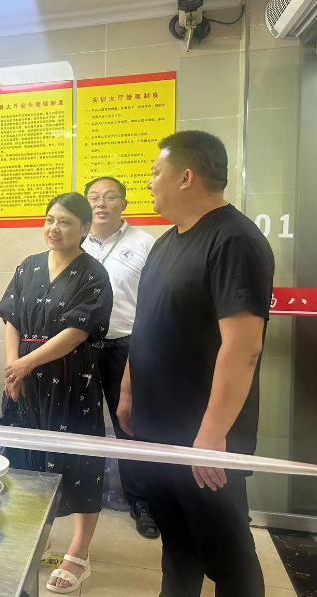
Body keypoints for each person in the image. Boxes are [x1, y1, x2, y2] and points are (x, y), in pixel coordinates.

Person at [118, 131, 273, 596]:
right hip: (160, 430)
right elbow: (148, 325)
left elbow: (243, 346)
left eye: (155, 172)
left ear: (185, 177)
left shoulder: (234, 240)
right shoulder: (166, 243)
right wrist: (128, 390)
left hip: (205, 438)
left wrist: (210, 436)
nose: (149, 182)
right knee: (178, 546)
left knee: (229, 557)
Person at [0, 192, 113, 594]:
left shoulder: (93, 273)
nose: (54, 228)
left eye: (65, 222)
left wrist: (26, 364)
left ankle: (79, 552)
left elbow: (78, 331)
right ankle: (40, 536)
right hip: (25, 380)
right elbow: (12, 319)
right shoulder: (28, 266)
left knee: (79, 461)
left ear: (84, 229)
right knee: (28, 462)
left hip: (70, 380)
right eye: (50, 219)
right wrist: (13, 365)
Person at [80, 176, 158, 539]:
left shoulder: (144, 244)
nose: (101, 203)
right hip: (81, 348)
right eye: (94, 197)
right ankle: (79, 494)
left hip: (126, 348)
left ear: (124, 203)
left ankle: (140, 501)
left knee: (130, 426)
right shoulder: (76, 241)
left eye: (110, 197)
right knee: (79, 423)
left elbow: (153, 303)